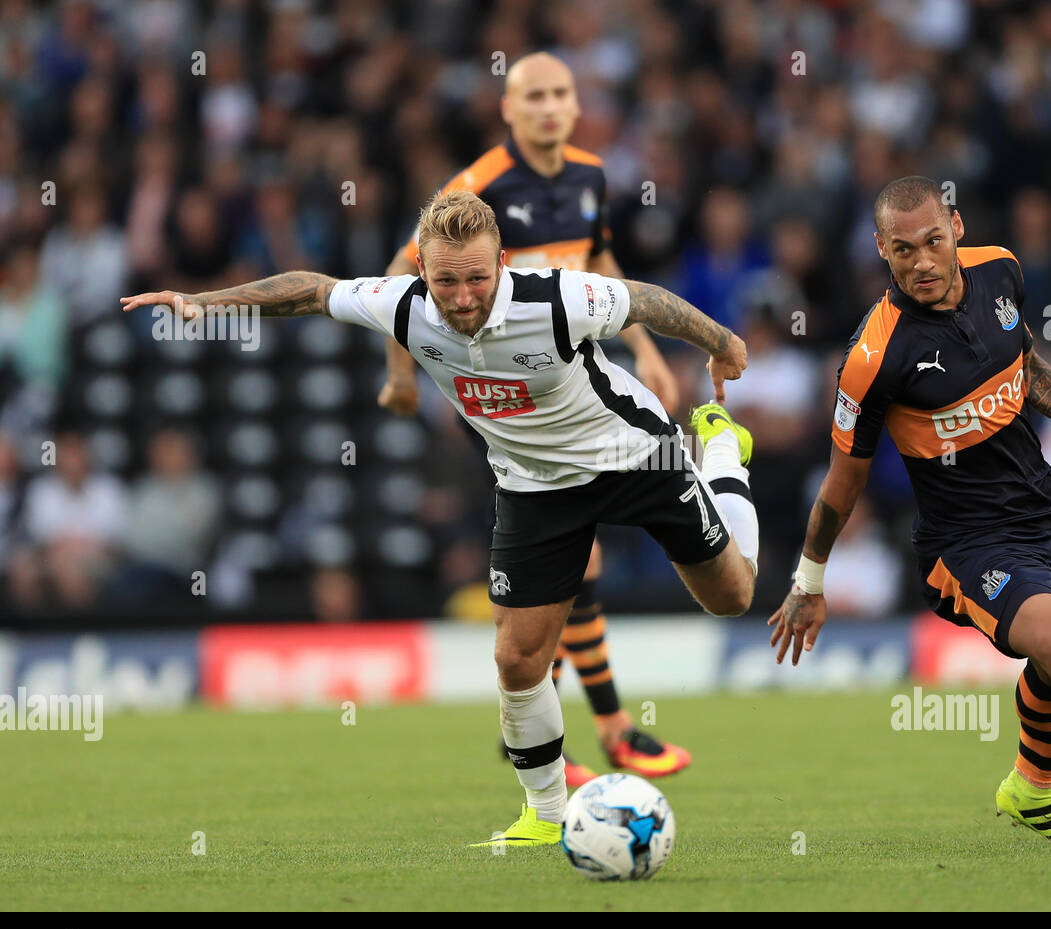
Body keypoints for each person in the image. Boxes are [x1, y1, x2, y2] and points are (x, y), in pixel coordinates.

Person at [122, 189, 761, 847]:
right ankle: (544, 815)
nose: (461, 297)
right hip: (536, 488)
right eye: (446, 279)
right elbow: (312, 290)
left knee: (733, 595)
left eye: (477, 278)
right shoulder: (403, 305)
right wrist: (204, 302)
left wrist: (721, 342)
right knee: (517, 659)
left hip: (636, 458)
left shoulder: (556, 299)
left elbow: (648, 299)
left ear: (503, 264)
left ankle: (720, 449)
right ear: (422, 272)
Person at [768, 176, 1051, 849]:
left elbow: (1027, 368)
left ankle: (1031, 786)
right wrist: (809, 580)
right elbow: (841, 483)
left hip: (1046, 512)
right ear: (881, 248)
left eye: (933, 241)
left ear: (957, 229)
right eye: (903, 248)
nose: (922, 262)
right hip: (965, 544)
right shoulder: (872, 358)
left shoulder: (1001, 270)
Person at [377, 52, 689, 786]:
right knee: (576, 556)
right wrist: (400, 374)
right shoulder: (479, 186)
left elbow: (600, 261)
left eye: (560, 94)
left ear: (576, 106)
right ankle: (597, 724)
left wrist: (642, 345)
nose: (549, 107)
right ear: (508, 110)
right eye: (533, 97)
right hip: (500, 390)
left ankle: (563, 722)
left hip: (570, 383)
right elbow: (401, 269)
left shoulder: (589, 175)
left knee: (578, 560)